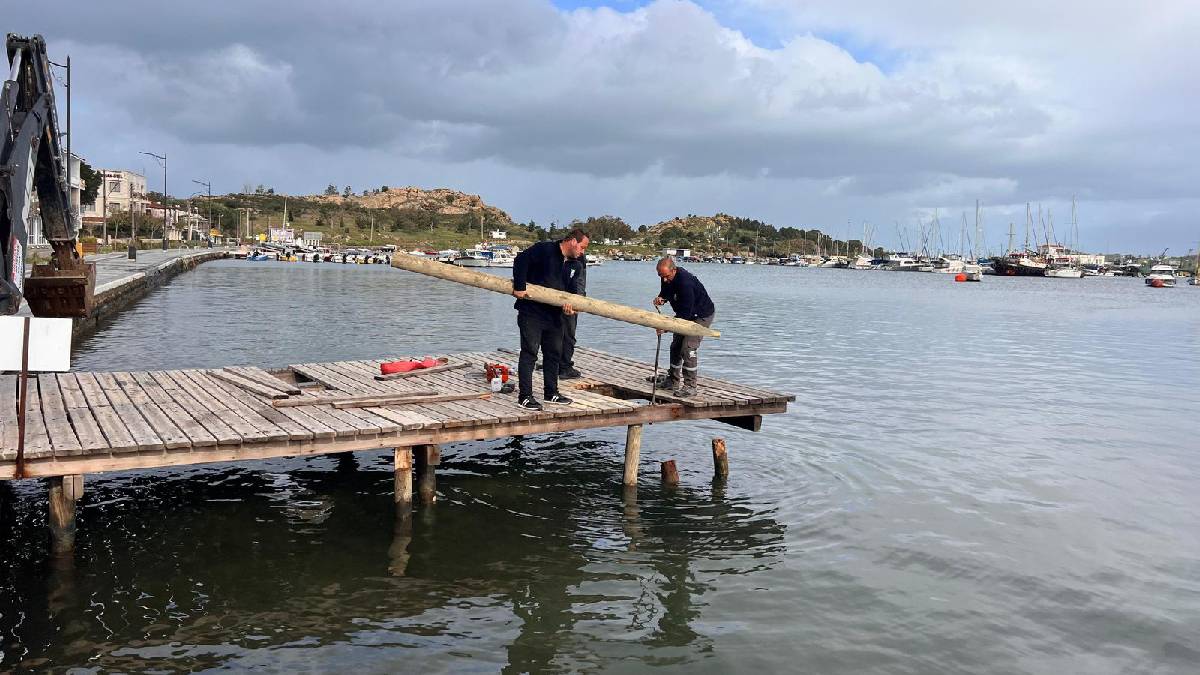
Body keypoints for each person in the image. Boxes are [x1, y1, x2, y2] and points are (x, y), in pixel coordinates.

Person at [511, 228, 590, 410]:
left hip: (555, 316)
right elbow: (520, 260)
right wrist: (519, 286)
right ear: (572, 241)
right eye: (582, 247)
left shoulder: (576, 265)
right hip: (531, 312)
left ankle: (551, 393)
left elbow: (570, 291)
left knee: (553, 354)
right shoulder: (545, 249)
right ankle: (525, 396)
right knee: (530, 353)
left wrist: (570, 307)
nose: (582, 252)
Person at [651, 256, 715, 398]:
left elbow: (685, 314)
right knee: (676, 346)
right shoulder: (666, 277)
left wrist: (666, 327)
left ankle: (690, 386)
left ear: (673, 270)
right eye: (660, 276)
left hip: (701, 315)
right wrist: (662, 298)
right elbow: (667, 292)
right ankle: (672, 381)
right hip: (685, 313)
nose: (664, 279)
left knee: (688, 347)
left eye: (666, 276)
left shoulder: (685, 283)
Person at [559, 249, 587, 379]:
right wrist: (578, 302)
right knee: (568, 335)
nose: (582, 250)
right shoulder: (578, 261)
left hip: (560, 299)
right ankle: (565, 367)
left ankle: (557, 363)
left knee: (557, 334)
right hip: (570, 302)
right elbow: (579, 282)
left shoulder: (562, 256)